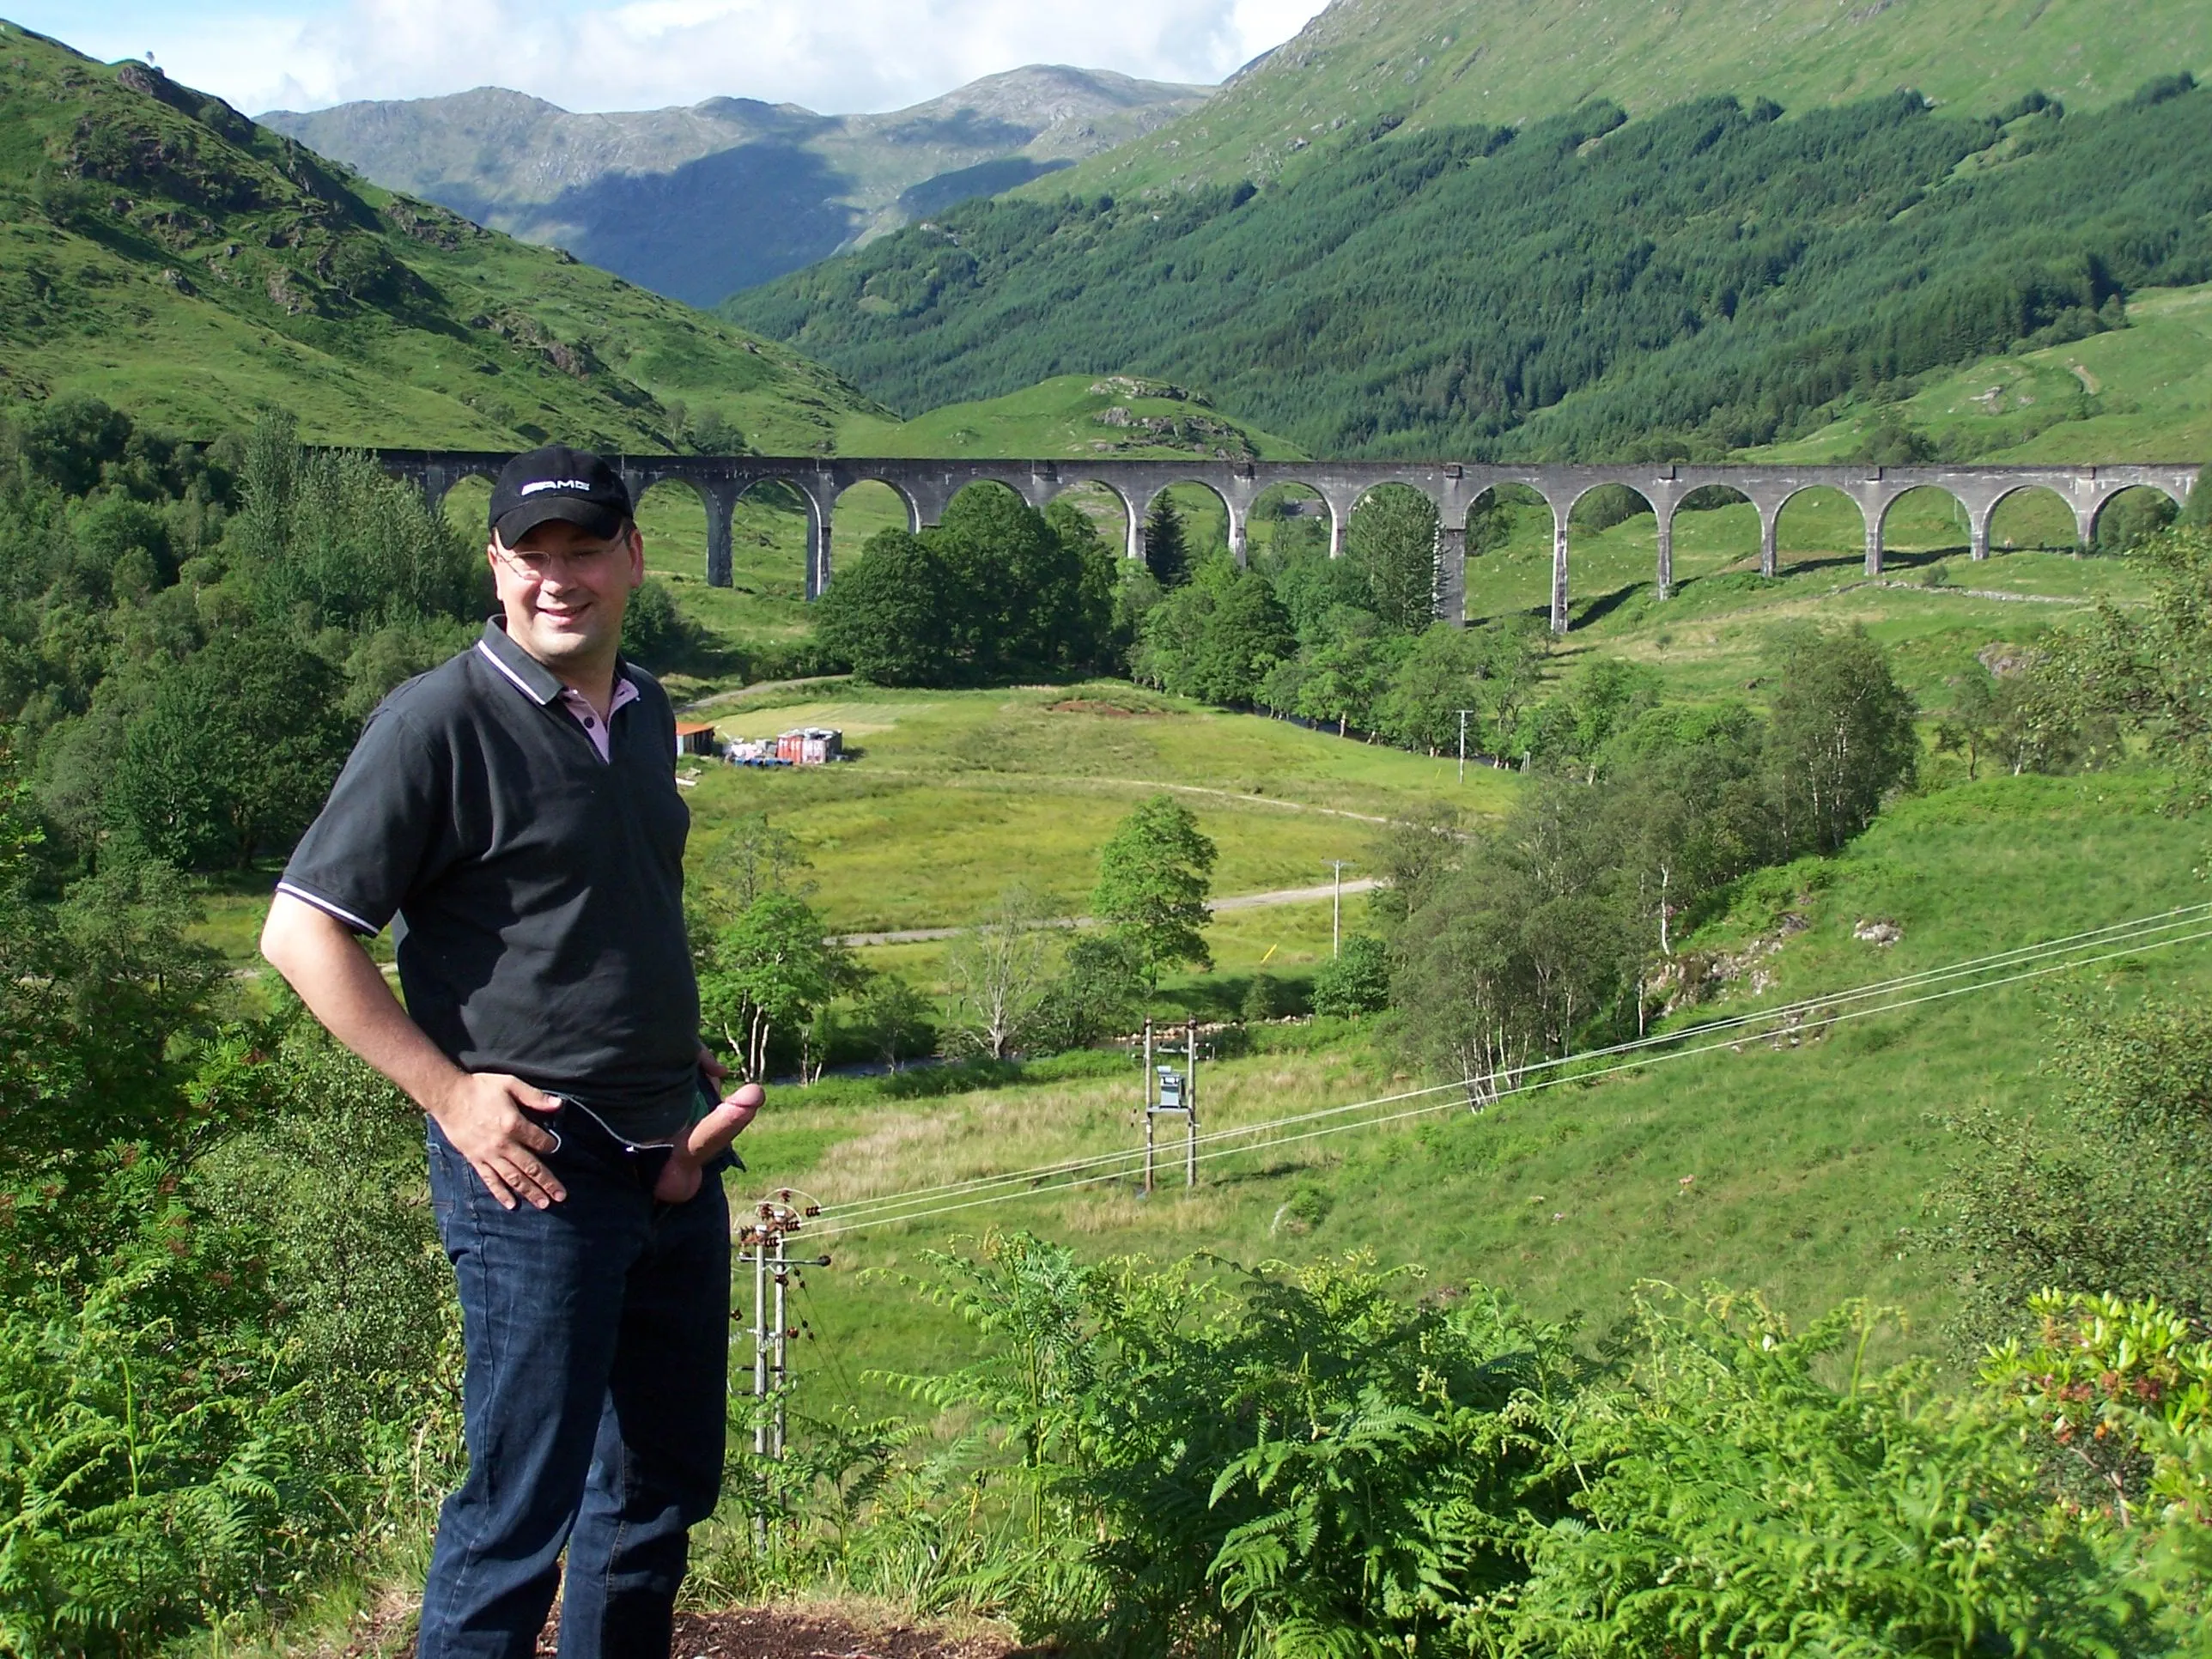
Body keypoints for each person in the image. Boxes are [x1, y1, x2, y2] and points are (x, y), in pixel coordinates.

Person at [260, 445, 761, 1659]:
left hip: (669, 1153)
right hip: (532, 1168)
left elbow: (600, 900)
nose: (557, 579)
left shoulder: (640, 712)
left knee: (654, 1496)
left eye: (583, 550)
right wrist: (449, 1096)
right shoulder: (440, 719)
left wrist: (664, 1033)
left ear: (632, 559)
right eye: (530, 557)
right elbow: (301, 933)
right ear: (494, 568)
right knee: (517, 1514)